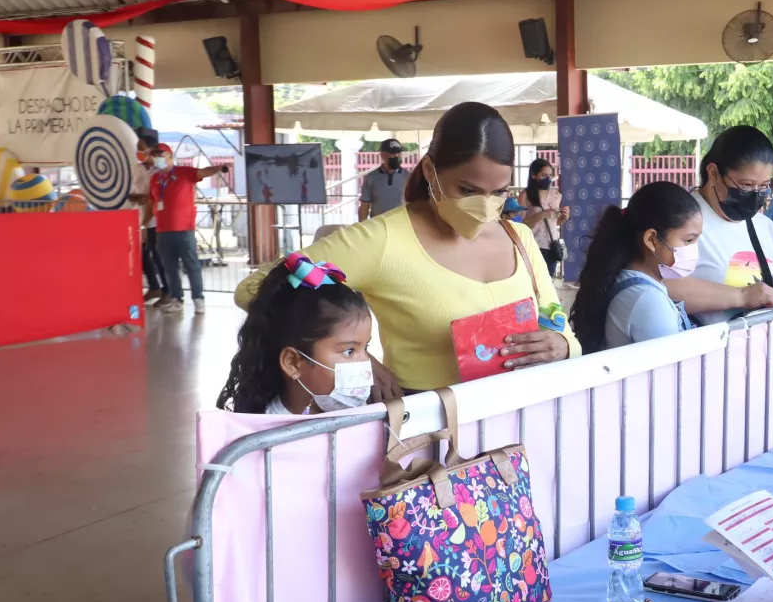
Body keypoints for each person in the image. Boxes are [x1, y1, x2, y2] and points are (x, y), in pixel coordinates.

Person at [235, 102, 579, 396]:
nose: (486, 207)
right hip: (427, 435)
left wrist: (561, 345)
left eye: (499, 193)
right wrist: (354, 357)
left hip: (516, 419)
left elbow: (559, 324)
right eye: (468, 190)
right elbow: (254, 289)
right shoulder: (384, 240)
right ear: (430, 170)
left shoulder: (519, 237)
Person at [667, 126, 773, 325]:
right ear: (713, 173)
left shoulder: (766, 227)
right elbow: (662, 286)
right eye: (746, 185)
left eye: (763, 186)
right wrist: (741, 296)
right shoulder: (680, 220)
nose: (755, 194)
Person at [218, 253, 372, 415]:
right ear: (293, 363)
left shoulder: (364, 417)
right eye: (349, 351)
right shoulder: (263, 432)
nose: (366, 364)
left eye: (366, 348)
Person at [568, 181, 701, 353]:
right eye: (688, 240)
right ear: (651, 240)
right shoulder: (648, 301)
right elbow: (672, 374)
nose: (694, 249)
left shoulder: (625, 277)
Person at [145, 143, 227, 315]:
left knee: (192, 265)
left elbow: (203, 172)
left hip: (184, 229)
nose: (158, 159)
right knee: (169, 267)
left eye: (162, 155)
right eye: (156, 156)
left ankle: (198, 299)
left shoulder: (184, 172)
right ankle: (176, 298)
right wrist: (144, 225)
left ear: (170, 156)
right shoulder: (155, 179)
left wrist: (218, 168)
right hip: (162, 230)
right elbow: (152, 201)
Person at [127, 129, 164, 304]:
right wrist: (140, 197)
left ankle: (168, 291)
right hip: (140, 217)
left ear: (151, 149)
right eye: (138, 149)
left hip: (157, 217)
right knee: (143, 254)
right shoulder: (137, 168)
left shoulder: (161, 168)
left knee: (158, 254)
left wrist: (149, 198)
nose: (139, 153)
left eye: (142, 148)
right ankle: (154, 287)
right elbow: (131, 193)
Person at [523, 159, 569, 278]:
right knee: (533, 280)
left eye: (549, 175)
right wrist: (540, 215)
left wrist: (564, 218)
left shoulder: (555, 195)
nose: (548, 179)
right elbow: (521, 225)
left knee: (548, 281)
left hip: (552, 246)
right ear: (533, 175)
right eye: (544, 175)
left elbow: (555, 223)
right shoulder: (526, 195)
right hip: (534, 246)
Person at [357, 138, 408, 221]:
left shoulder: (408, 177)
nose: (396, 156)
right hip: (378, 225)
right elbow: (364, 205)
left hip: (401, 224)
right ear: (383, 155)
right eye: (393, 153)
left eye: (398, 153)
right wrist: (362, 227)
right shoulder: (371, 178)